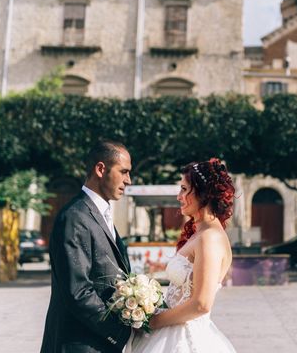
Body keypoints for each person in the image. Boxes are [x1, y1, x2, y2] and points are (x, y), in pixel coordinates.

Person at [126, 158, 236, 353]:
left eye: (184, 189)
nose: (179, 196)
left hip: (185, 339)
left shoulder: (210, 238)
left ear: (204, 193)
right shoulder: (200, 234)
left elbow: (201, 304)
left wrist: (154, 321)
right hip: (172, 331)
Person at [41, 140, 133, 352]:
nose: (128, 180)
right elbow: (78, 291)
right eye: (124, 172)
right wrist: (119, 331)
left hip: (98, 342)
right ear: (101, 169)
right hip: (78, 344)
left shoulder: (102, 214)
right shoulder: (75, 217)